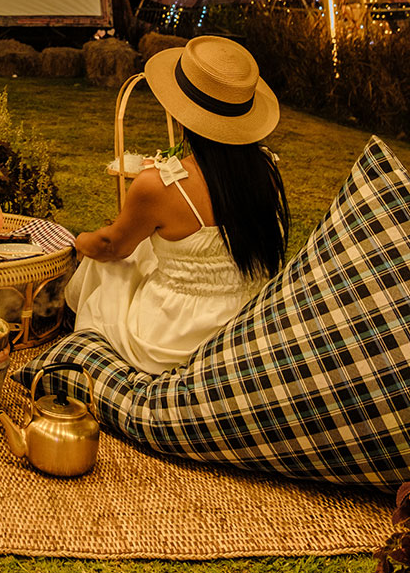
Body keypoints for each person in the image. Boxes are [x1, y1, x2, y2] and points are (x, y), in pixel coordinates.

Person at [64, 35, 290, 374]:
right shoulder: (266, 170)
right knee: (149, 249)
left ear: (182, 113)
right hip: (247, 325)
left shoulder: (159, 185)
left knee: (106, 264)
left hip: (175, 339)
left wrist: (80, 241)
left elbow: (113, 247)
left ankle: (70, 335)